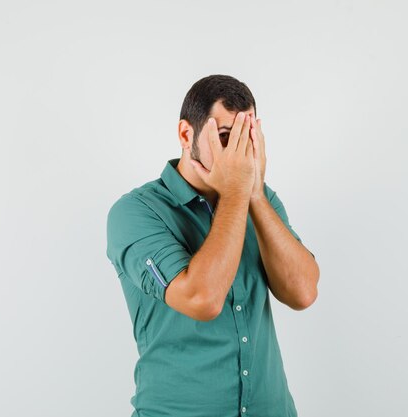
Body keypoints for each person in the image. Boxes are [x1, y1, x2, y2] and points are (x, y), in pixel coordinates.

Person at [106, 74, 320, 417]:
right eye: (225, 137)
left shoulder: (261, 200)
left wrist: (253, 195)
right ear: (186, 134)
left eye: (245, 138)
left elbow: (303, 292)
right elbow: (201, 299)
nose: (237, 154)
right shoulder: (135, 212)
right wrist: (237, 192)